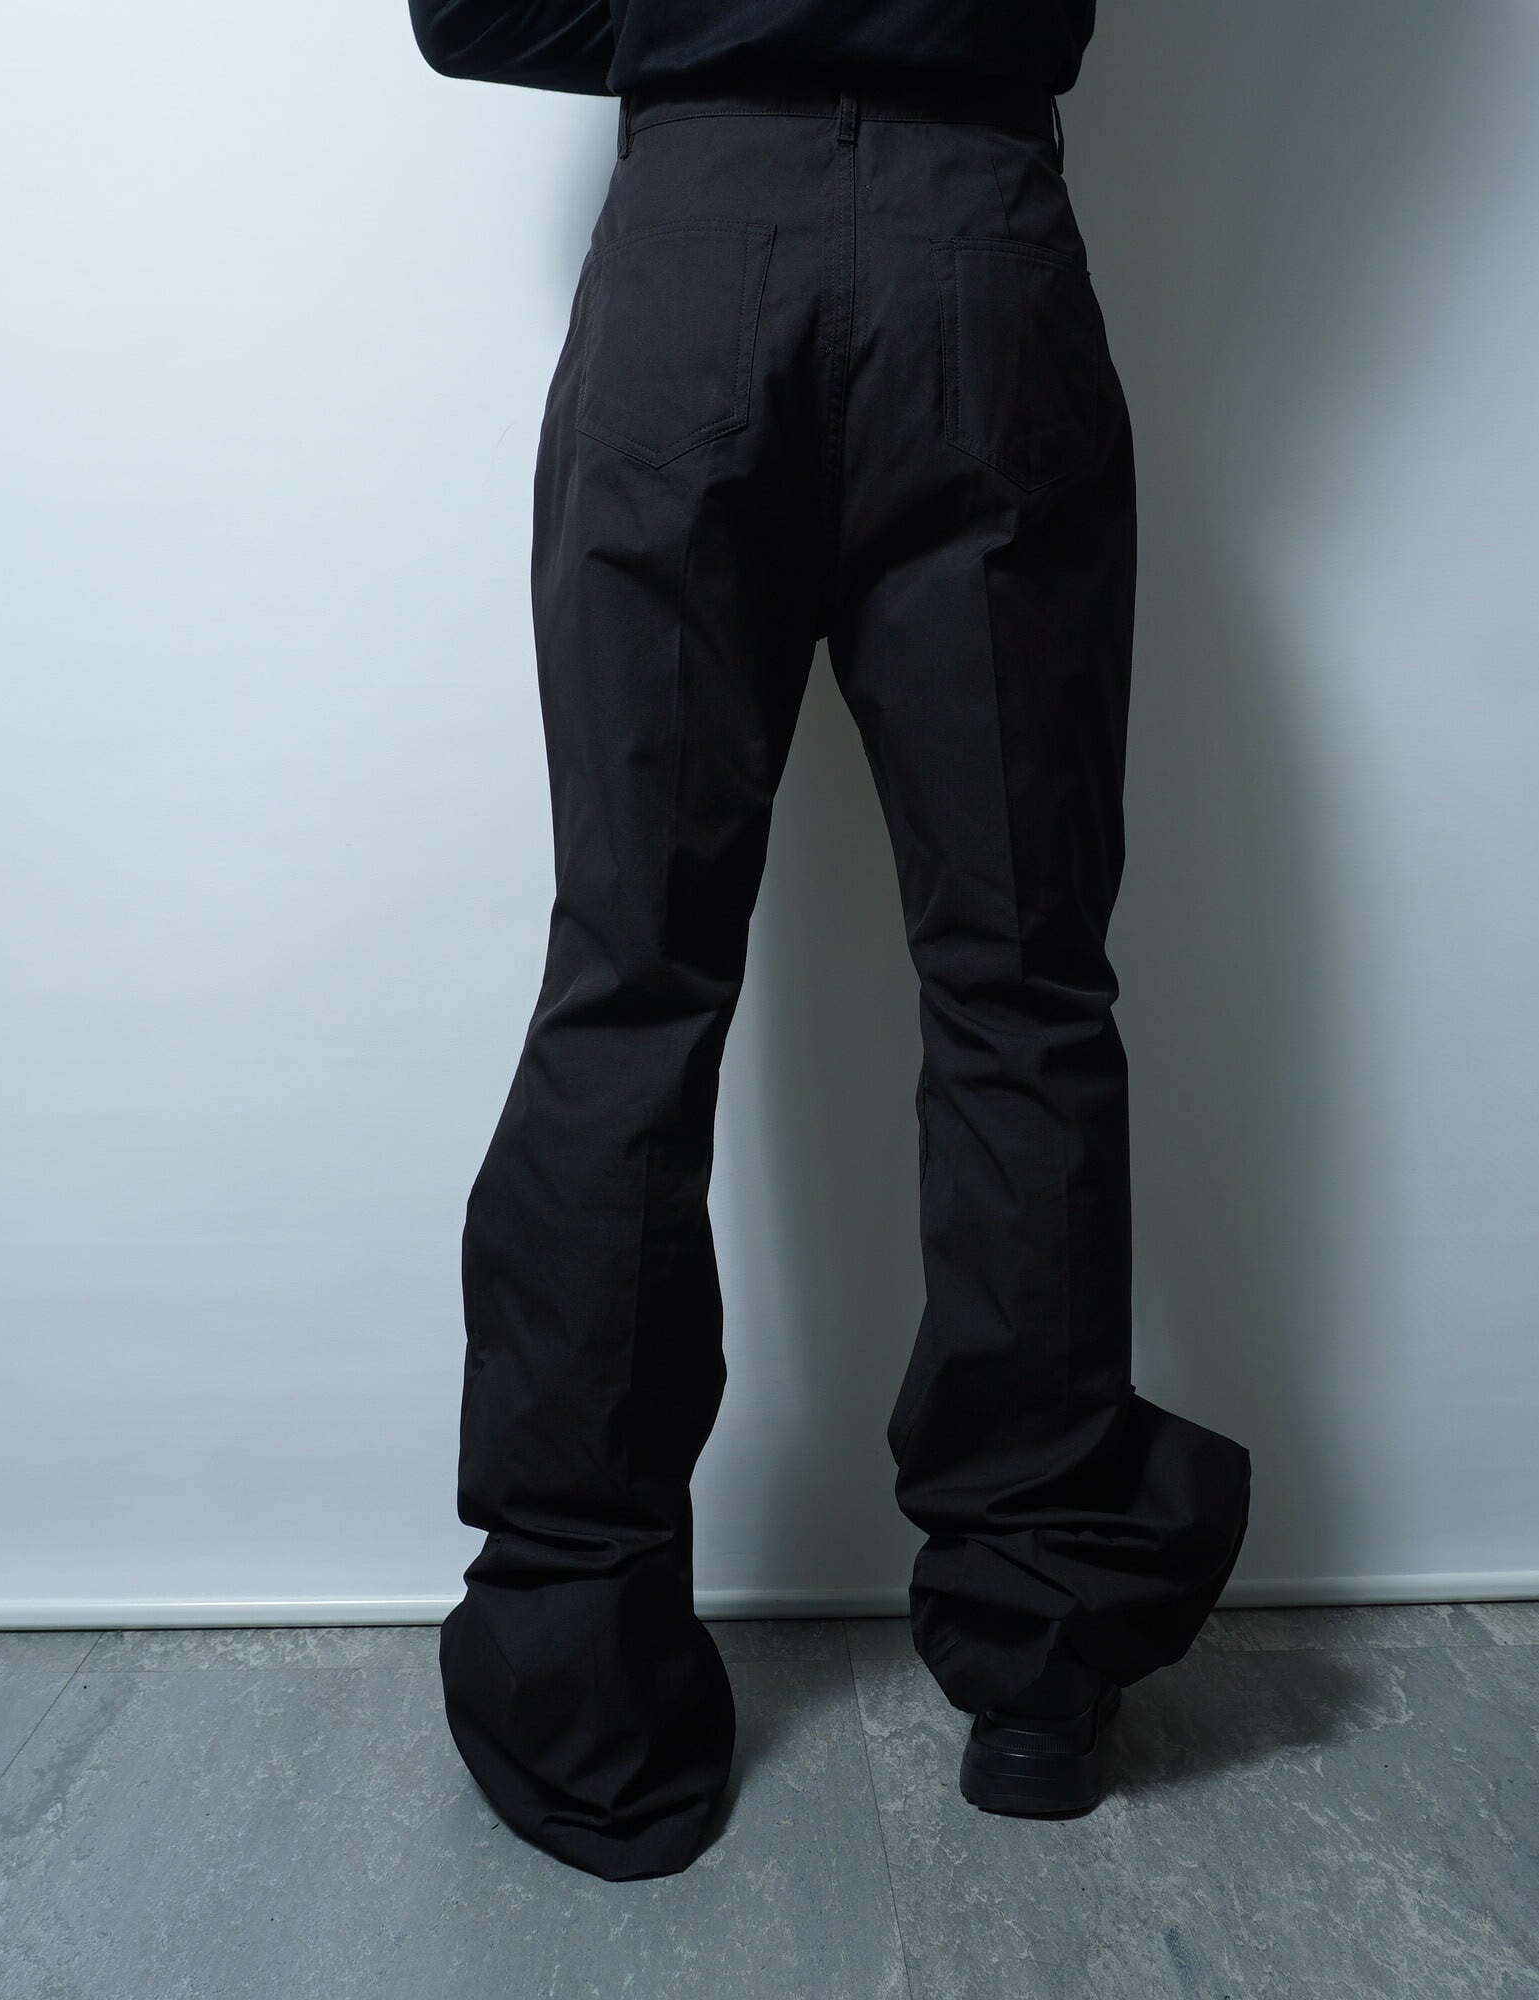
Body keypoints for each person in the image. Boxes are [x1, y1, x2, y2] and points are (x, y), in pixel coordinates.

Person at [405, 0, 1255, 1884]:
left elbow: (471, 8)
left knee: (629, 980)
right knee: (1022, 982)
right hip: (982, 258)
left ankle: (583, 1695)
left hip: (698, 245)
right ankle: (1040, 1661)